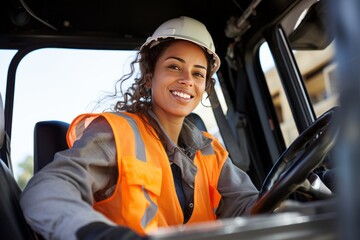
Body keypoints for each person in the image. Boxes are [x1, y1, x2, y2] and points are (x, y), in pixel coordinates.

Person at [20, 16, 259, 240]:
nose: (187, 79)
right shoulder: (116, 134)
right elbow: (46, 189)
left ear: (204, 86)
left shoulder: (211, 151)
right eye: (174, 67)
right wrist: (99, 233)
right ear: (149, 76)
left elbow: (249, 204)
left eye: (198, 73)